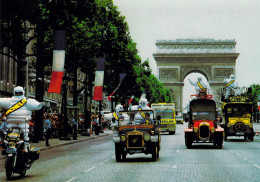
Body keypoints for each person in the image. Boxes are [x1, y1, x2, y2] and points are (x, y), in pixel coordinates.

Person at [0, 86, 44, 152]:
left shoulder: (9, 100)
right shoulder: (27, 101)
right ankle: (25, 148)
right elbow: (35, 105)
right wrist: (39, 105)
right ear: (23, 92)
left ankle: (10, 146)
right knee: (25, 134)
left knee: (10, 134)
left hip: (11, 120)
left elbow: (2, 101)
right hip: (23, 120)